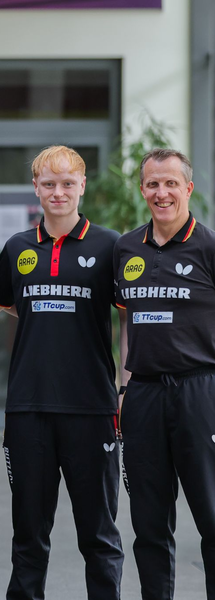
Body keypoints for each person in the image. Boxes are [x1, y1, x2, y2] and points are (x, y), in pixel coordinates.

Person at [0, 146, 124, 599]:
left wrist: (125, 386)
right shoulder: (18, 247)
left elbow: (132, 317)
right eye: (48, 183)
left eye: (67, 183)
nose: (58, 192)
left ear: (82, 185)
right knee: (28, 537)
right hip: (28, 411)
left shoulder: (110, 245)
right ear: (36, 189)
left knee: (98, 537)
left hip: (91, 409)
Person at [114, 148, 215, 600]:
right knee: (149, 524)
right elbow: (125, 323)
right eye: (153, 184)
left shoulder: (208, 247)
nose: (162, 192)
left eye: (171, 183)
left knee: (211, 518)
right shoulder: (126, 248)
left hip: (200, 393)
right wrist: (123, 386)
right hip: (144, 396)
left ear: (188, 188)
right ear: (142, 190)